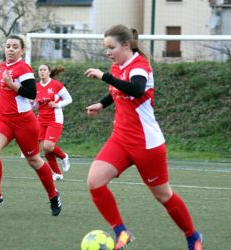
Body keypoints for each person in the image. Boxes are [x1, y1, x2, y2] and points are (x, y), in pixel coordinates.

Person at [84, 24, 203, 250]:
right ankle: (121, 232)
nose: (108, 52)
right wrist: (100, 104)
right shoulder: (117, 66)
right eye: (106, 48)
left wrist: (104, 76)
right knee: (95, 182)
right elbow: (117, 91)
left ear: (127, 45)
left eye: (112, 47)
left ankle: (193, 237)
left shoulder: (139, 66)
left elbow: (136, 89)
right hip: (120, 138)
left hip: (146, 143)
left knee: (163, 195)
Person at [0, 35, 62, 216]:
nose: (10, 49)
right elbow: (6, 88)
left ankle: (53, 195)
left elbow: (31, 93)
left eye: (15, 47)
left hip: (24, 122)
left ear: (22, 51)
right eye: (8, 46)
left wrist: (10, 84)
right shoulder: (3, 66)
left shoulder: (24, 68)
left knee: (33, 160)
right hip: (3, 120)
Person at [33, 64, 72, 181]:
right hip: (41, 119)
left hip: (55, 119)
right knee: (46, 149)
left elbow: (69, 99)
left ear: (49, 72)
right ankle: (57, 173)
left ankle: (64, 156)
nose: (42, 72)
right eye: (40, 70)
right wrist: (32, 103)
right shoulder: (36, 86)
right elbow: (35, 106)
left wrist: (57, 104)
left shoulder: (56, 85)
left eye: (44, 70)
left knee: (48, 146)